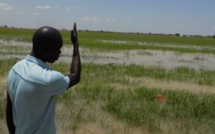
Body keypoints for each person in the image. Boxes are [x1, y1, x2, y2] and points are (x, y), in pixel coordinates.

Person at [6, 23, 81, 134]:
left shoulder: (15, 69)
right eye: (57, 49)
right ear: (45, 49)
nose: (60, 53)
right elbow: (75, 76)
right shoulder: (48, 79)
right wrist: (75, 46)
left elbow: (9, 110)